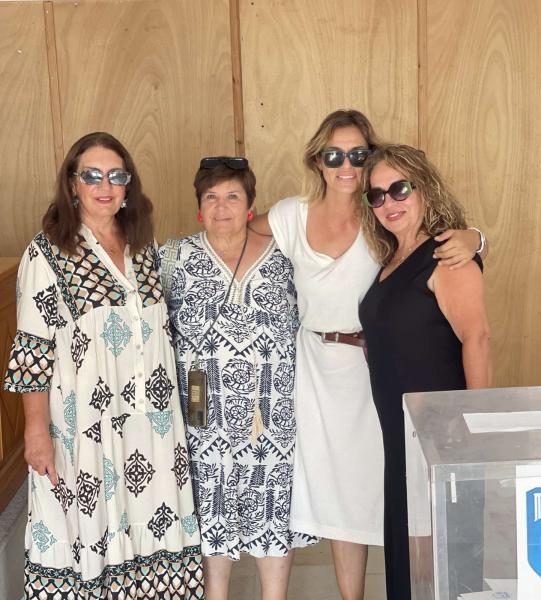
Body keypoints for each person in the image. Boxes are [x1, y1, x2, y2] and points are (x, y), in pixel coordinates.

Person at [249, 109, 485, 600]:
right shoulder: (315, 220)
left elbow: (461, 299)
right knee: (355, 499)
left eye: (358, 155)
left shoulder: (387, 228)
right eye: (334, 155)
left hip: (378, 375)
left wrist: (477, 238)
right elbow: (242, 231)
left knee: (409, 502)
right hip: (325, 369)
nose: (346, 166)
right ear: (317, 160)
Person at [3, 132, 204, 598]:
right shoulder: (48, 252)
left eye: (116, 176)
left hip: (153, 428)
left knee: (154, 528)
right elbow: (33, 350)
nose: (104, 186)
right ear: (72, 184)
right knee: (88, 529)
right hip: (86, 428)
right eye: (92, 175)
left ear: (128, 185)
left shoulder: (142, 246)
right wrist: (36, 431)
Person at [159, 156, 316, 600]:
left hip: (272, 413)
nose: (221, 207)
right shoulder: (172, 257)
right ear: (199, 209)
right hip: (201, 415)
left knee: (272, 512)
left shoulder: (285, 253)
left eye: (232, 196)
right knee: (210, 515)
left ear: (251, 207)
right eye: (211, 197)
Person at [358, 144, 491, 600]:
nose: (388, 203)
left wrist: (474, 430)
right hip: (401, 433)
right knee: (411, 558)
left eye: (399, 189)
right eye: (376, 195)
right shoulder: (392, 258)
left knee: (446, 561)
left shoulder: (446, 255)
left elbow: (477, 337)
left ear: (424, 188)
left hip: (441, 435)